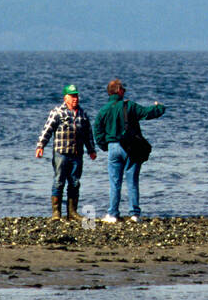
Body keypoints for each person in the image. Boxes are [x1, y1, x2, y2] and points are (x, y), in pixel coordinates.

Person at [93, 79, 165, 223]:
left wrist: (104, 146)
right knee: (132, 181)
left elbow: (97, 130)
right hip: (130, 148)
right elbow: (146, 113)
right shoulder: (129, 106)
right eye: (123, 89)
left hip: (113, 147)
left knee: (115, 183)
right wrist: (160, 108)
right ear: (119, 91)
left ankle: (112, 214)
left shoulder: (104, 110)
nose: (125, 91)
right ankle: (134, 214)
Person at [35, 84, 98, 220]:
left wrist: (91, 150)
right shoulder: (57, 112)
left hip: (77, 154)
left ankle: (72, 213)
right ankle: (56, 213)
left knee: (75, 182)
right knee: (59, 181)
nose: (75, 99)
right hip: (61, 153)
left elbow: (88, 134)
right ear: (66, 98)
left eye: (76, 96)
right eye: (72, 96)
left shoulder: (82, 114)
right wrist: (41, 146)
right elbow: (47, 130)